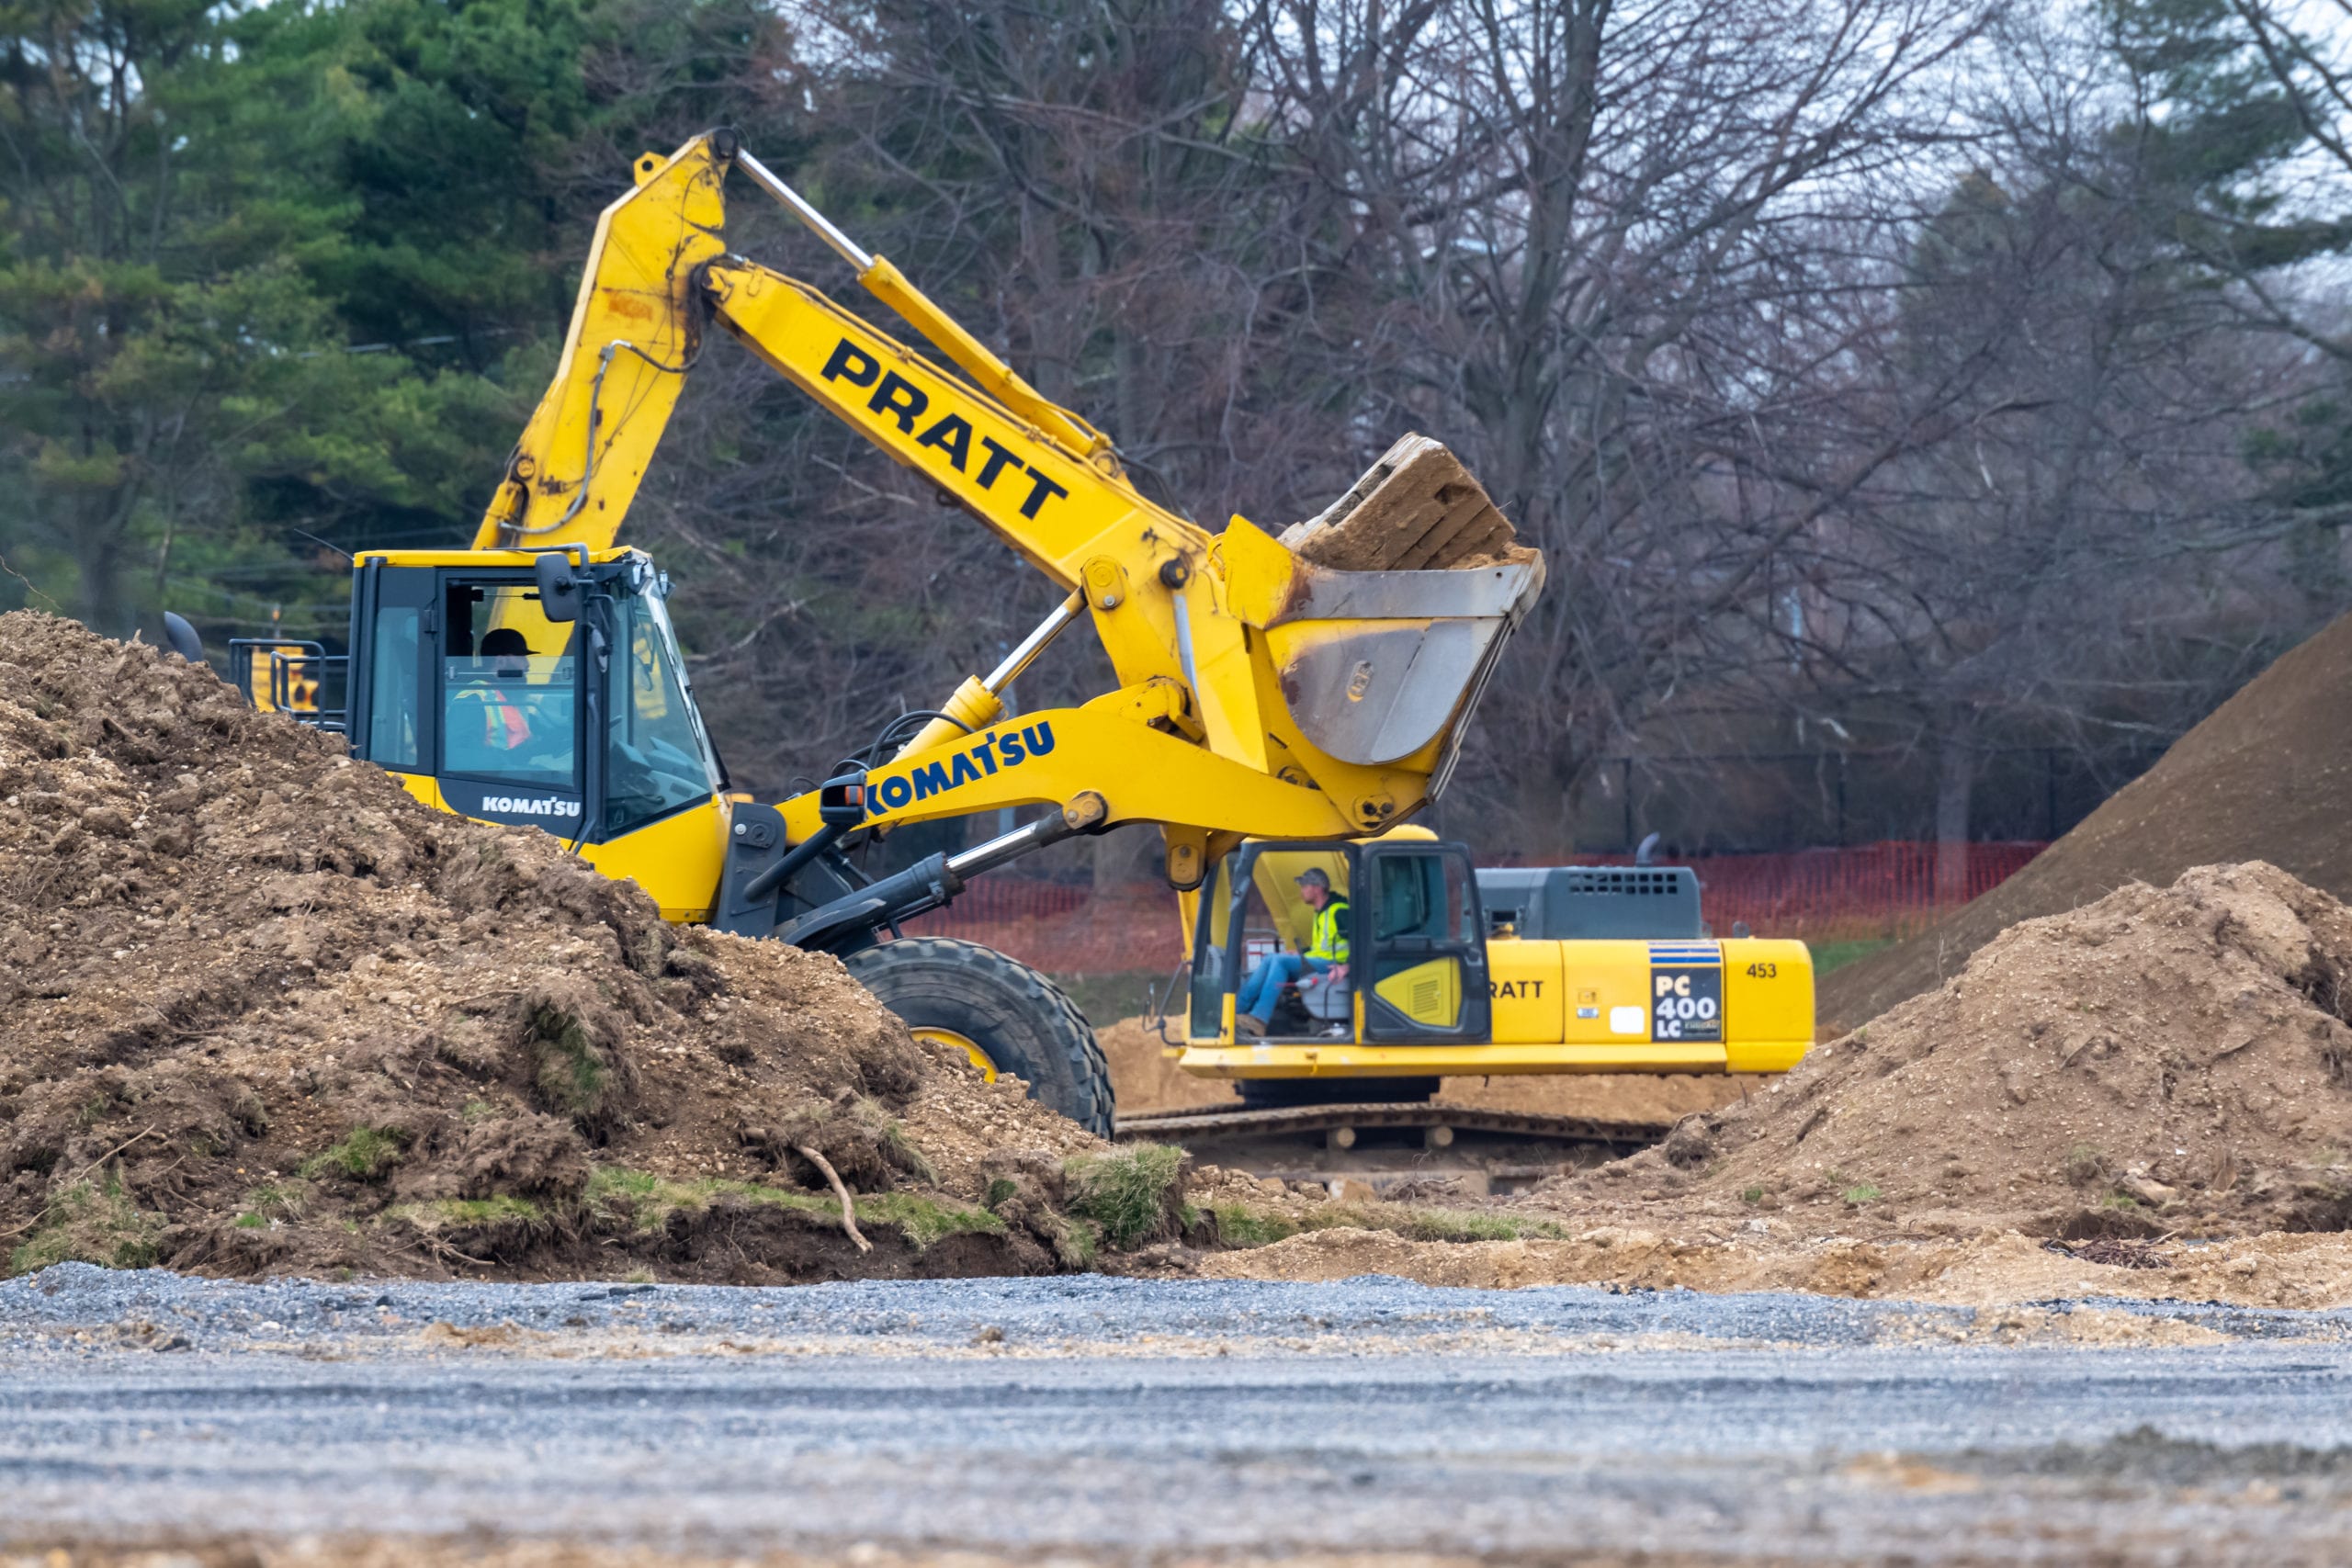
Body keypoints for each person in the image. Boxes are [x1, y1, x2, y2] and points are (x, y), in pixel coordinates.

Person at [1236, 867, 1350, 1037]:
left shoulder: (1339, 911)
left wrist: (1346, 967)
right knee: (1271, 958)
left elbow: (1362, 939)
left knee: (1280, 962)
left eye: (1305, 886)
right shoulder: (1322, 912)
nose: (1301, 891)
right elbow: (1322, 947)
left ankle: (1259, 1019)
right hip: (1321, 961)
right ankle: (1236, 1010)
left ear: (1318, 888)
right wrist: (1299, 953)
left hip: (1332, 966)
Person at [463, 626, 535, 751]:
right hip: (493, 770)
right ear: (500, 660)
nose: (527, 664)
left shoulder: (508, 696)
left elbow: (531, 733)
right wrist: (505, 763)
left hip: (511, 768)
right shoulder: (474, 698)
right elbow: (463, 750)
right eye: (521, 656)